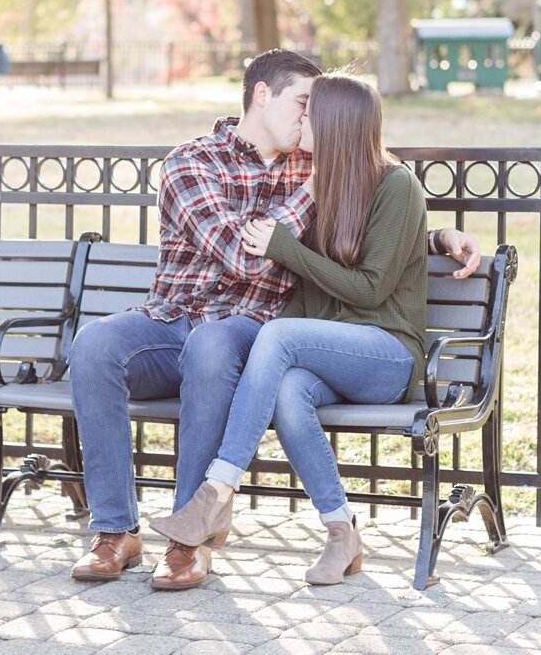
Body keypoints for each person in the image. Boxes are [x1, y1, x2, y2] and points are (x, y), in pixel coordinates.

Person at [67, 51, 480, 591]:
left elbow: (375, 207)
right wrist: (313, 190)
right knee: (94, 344)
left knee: (213, 345)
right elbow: (244, 255)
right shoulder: (193, 163)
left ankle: (189, 538)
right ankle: (115, 531)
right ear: (262, 95)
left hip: (246, 327)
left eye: (315, 110)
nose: (306, 118)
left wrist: (436, 238)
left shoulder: (315, 161)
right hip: (172, 319)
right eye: (301, 104)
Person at [148, 73, 433, 586]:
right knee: (287, 390)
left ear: (335, 124)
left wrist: (285, 248)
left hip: (388, 355)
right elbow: (304, 282)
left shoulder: (398, 185)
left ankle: (217, 491)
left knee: (277, 336)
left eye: (309, 111)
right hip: (330, 355)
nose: (300, 118)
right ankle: (341, 530)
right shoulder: (326, 189)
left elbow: (369, 288)